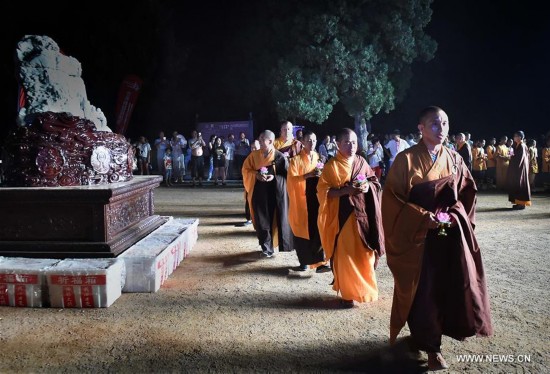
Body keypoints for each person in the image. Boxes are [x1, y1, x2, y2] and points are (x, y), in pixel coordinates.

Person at [382, 106, 492, 371]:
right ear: (420, 128)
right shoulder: (405, 160)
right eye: (434, 123)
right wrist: (422, 218)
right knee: (423, 291)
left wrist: (455, 215)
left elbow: (468, 193)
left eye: (445, 123)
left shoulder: (454, 158)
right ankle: (431, 347)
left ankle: (430, 339)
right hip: (418, 239)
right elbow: (392, 200)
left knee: (448, 287)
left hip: (448, 238)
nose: (441, 129)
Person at [316, 128, 384, 308]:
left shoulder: (361, 161)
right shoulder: (332, 166)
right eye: (346, 142)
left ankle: (365, 290)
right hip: (343, 217)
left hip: (363, 215)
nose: (351, 146)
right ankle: (348, 293)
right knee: (346, 256)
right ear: (337, 144)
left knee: (365, 254)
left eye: (354, 142)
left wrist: (367, 187)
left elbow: (374, 182)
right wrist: (346, 191)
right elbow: (323, 192)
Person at [242, 130, 293, 256]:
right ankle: (266, 248)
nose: (259, 141)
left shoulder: (279, 156)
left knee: (275, 219)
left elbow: (287, 176)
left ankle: (273, 245)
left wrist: (274, 177)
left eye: (261, 139)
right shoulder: (253, 156)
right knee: (261, 219)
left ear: (270, 141)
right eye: (259, 138)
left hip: (275, 193)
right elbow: (245, 169)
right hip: (259, 191)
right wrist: (256, 175)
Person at [287, 131, 330, 273]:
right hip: (301, 200)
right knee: (302, 231)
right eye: (309, 141)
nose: (312, 143)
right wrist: (308, 175)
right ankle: (304, 261)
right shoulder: (295, 161)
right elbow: (291, 180)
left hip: (316, 199)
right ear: (303, 142)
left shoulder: (318, 158)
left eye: (314, 140)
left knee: (318, 229)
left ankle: (320, 263)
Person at [507, 131, 531, 210]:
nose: (514, 138)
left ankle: (521, 204)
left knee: (520, 184)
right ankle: (518, 203)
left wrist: (512, 157)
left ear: (520, 137)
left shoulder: (522, 145)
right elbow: (514, 155)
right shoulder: (516, 145)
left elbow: (520, 158)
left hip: (520, 169)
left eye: (515, 136)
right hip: (516, 169)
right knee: (516, 184)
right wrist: (511, 154)